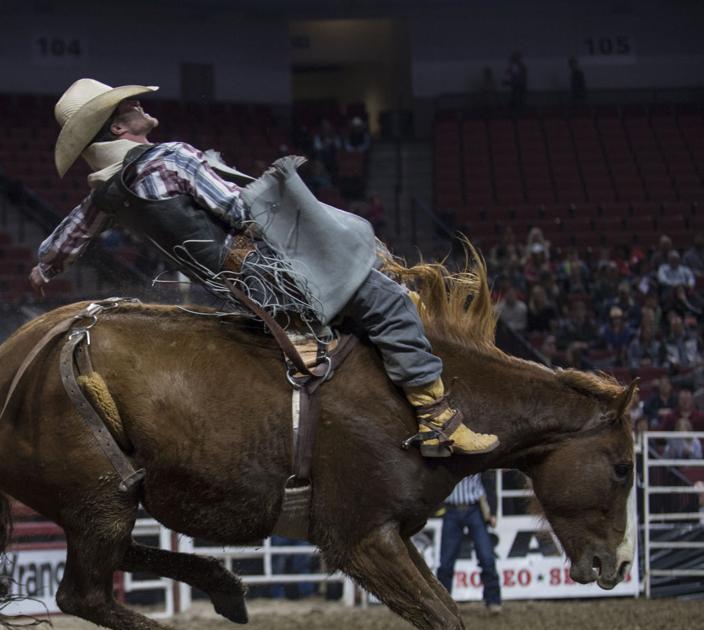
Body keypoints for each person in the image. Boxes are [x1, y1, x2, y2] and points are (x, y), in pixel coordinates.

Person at [31, 78, 498, 457]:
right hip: (276, 272)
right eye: (127, 105)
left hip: (237, 290)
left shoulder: (107, 195)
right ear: (118, 127)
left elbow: (66, 240)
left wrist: (44, 270)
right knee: (392, 303)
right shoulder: (171, 158)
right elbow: (237, 211)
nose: (136, 104)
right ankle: (438, 421)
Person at [435, 472, 502, 614]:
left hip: (474, 508)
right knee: (446, 562)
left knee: (487, 558)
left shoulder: (477, 453)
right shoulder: (446, 454)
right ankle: (443, 603)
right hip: (452, 509)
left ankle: (494, 601)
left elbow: (489, 482)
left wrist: (493, 511)